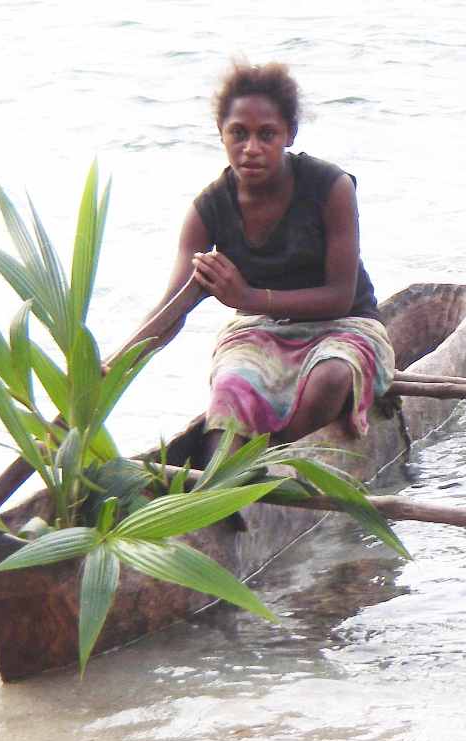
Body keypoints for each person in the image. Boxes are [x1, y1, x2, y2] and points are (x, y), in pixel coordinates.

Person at [143, 60, 394, 463]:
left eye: (267, 134)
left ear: (289, 134)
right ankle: (223, 484)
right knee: (229, 387)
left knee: (329, 378)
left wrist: (248, 296)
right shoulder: (208, 209)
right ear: (221, 134)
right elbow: (170, 310)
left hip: (343, 326)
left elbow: (339, 296)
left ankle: (276, 463)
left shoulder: (331, 188)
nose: (252, 148)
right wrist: (108, 367)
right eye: (238, 134)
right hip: (260, 332)